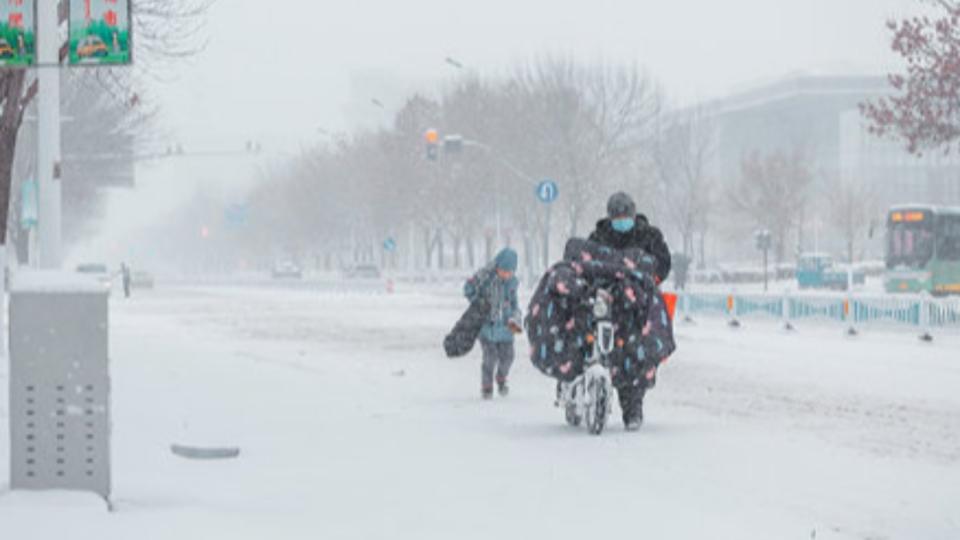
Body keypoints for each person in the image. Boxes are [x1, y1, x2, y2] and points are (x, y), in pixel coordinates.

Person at [588, 192, 672, 430]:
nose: (622, 221)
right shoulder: (599, 236)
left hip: (636, 306)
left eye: (626, 216)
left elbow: (663, 263)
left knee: (635, 355)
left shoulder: (649, 236)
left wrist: (649, 277)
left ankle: (632, 408)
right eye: (617, 217)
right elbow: (586, 260)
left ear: (634, 214)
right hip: (607, 300)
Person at [463, 248, 522, 399]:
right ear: (497, 267)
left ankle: (501, 377)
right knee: (489, 358)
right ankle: (486, 386)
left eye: (510, 272)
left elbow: (514, 303)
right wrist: (478, 302)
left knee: (508, 357)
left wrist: (516, 316)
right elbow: (468, 289)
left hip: (506, 328)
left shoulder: (512, 283)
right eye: (503, 270)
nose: (506, 274)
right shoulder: (485, 278)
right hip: (487, 328)